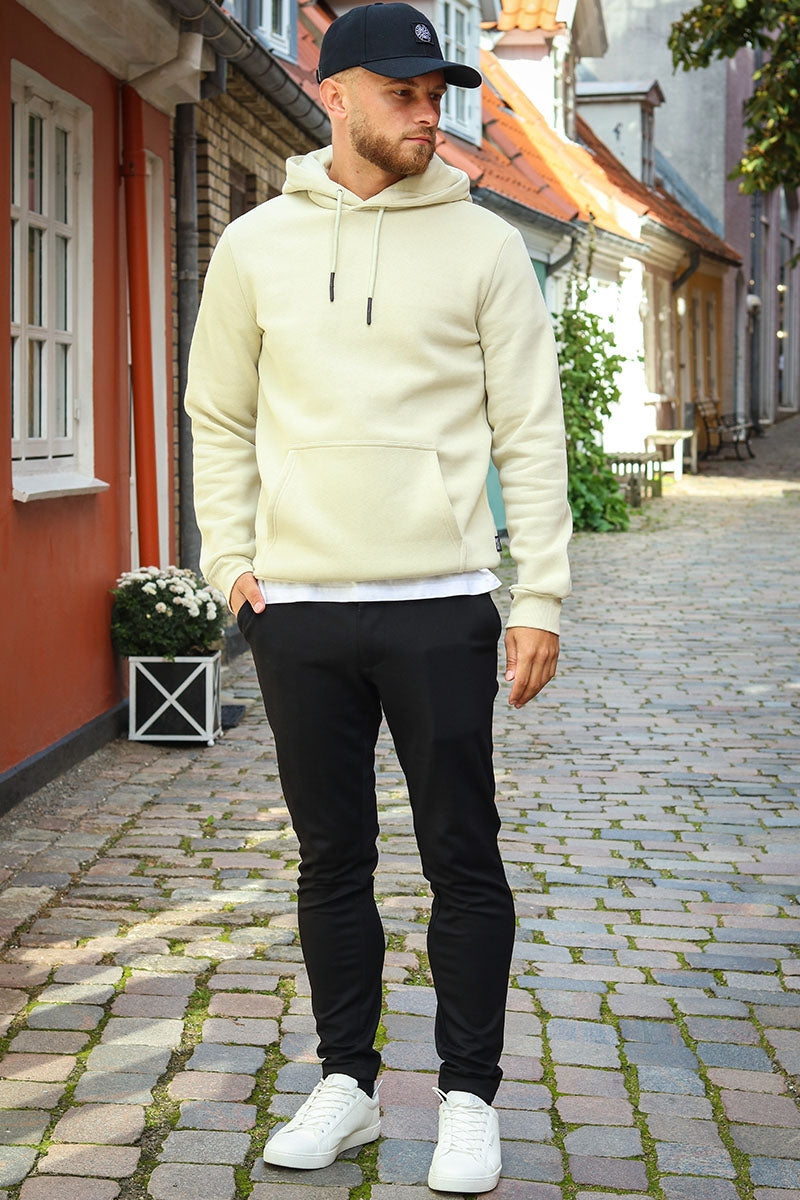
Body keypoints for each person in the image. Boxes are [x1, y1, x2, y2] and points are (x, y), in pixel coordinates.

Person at [185, 3, 571, 1192]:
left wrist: (539, 595)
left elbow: (530, 429)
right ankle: (346, 1085)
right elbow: (219, 415)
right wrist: (228, 561)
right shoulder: (255, 245)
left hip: (440, 599)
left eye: (434, 94)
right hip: (297, 605)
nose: (425, 114)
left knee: (462, 855)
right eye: (402, 92)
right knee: (330, 859)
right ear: (336, 92)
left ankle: (466, 1098)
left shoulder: (483, 246)